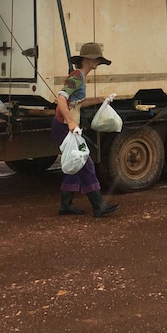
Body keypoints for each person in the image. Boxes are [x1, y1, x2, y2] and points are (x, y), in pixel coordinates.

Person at [51, 42, 120, 218]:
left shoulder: (79, 77)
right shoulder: (76, 77)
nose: (98, 62)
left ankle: (66, 205)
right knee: (85, 162)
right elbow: (61, 98)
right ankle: (98, 206)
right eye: (97, 59)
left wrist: (100, 99)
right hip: (64, 126)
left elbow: (77, 102)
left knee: (76, 163)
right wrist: (70, 122)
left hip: (64, 126)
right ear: (88, 60)